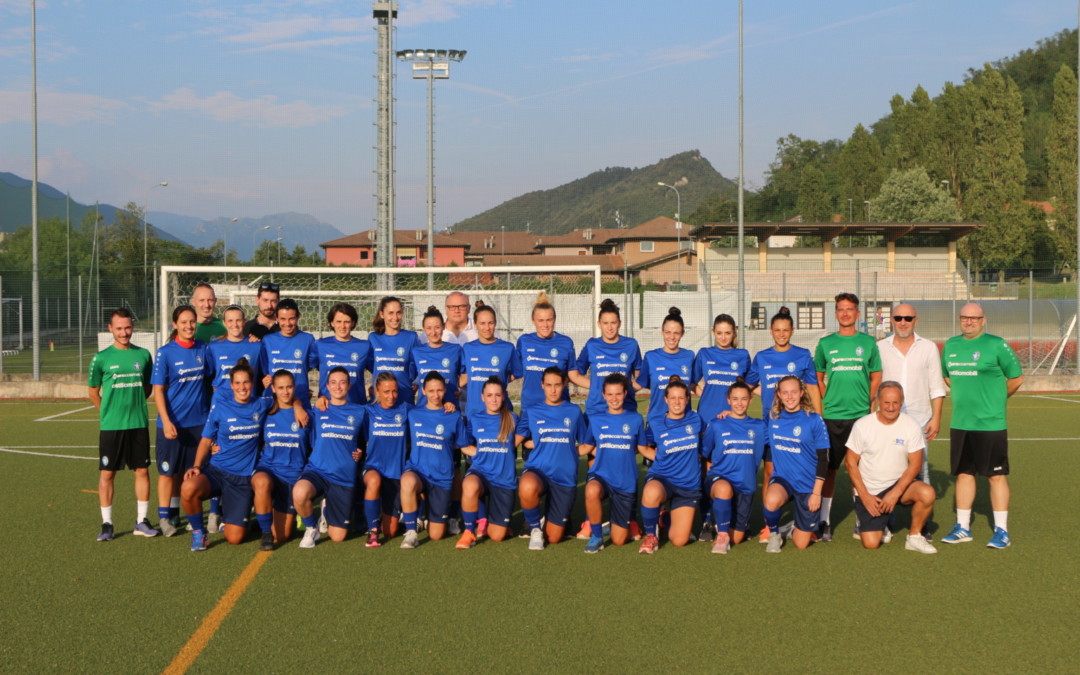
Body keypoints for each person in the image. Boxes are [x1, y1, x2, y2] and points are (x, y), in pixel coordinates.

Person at [940, 302, 1024, 549]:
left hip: (990, 423)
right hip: (961, 423)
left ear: (983, 320)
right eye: (965, 317)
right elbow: (948, 376)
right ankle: (963, 527)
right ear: (959, 319)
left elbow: (1017, 378)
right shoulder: (951, 346)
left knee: (995, 475)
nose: (969, 321)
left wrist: (996, 401)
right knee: (964, 473)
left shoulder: (996, 344)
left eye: (974, 318)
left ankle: (1001, 531)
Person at [745, 306, 821, 543]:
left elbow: (811, 388)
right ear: (770, 331)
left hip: (800, 425)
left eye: (785, 330)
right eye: (777, 330)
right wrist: (765, 395)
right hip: (772, 426)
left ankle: (809, 521)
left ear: (792, 331)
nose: (781, 334)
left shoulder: (803, 355)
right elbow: (747, 386)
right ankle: (771, 525)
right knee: (770, 472)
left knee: (805, 470)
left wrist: (818, 417)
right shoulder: (762, 357)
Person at [181, 358, 270, 550]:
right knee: (188, 487)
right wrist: (196, 466)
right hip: (217, 471)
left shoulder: (262, 405)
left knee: (235, 538)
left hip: (241, 478)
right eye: (237, 383)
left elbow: (284, 399)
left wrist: (297, 405)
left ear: (252, 383)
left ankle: (243, 518)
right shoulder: (221, 408)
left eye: (246, 382)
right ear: (231, 385)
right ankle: (199, 533)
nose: (242, 387)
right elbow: (206, 440)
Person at [813, 292, 882, 541]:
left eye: (850, 309)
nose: (845, 313)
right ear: (835, 313)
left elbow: (876, 375)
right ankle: (824, 520)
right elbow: (818, 375)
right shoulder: (826, 343)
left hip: (860, 417)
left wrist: (869, 400)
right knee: (829, 470)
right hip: (832, 417)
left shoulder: (869, 343)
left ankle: (861, 519)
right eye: (841, 309)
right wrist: (826, 398)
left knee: (860, 471)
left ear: (857, 313)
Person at [877, 302, 946, 538]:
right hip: (887, 420)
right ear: (892, 321)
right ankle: (885, 519)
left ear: (916, 320)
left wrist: (936, 418)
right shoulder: (880, 347)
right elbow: (874, 385)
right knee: (886, 471)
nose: (903, 322)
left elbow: (937, 387)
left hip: (919, 420)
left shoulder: (928, 348)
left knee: (921, 472)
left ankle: (921, 526)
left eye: (908, 318)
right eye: (898, 318)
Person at [88, 308, 157, 541]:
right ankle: (107, 524)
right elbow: (93, 392)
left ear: (132, 327)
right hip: (112, 427)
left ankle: (141, 521)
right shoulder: (101, 358)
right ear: (110, 329)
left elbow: (148, 387)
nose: (124, 332)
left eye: (127, 327)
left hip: (138, 423)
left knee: (142, 470)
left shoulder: (144, 355)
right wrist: (107, 413)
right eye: (119, 328)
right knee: (107, 474)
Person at [845, 382, 938, 554]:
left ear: (901, 402)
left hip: (898, 485)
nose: (890, 407)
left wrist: (895, 493)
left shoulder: (911, 425)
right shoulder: (863, 425)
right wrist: (864, 496)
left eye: (895, 402)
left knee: (927, 493)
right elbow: (850, 462)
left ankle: (915, 537)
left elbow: (916, 464)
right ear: (879, 401)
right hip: (870, 490)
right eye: (886, 402)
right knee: (871, 543)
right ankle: (870, 520)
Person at [152, 305, 213, 537]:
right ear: (175, 325)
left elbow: (213, 379)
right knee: (168, 472)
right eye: (184, 322)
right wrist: (166, 421)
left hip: (198, 423)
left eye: (192, 322)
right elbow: (158, 391)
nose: (189, 326)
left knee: (192, 472)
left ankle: (190, 514)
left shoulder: (203, 349)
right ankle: (165, 517)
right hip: (172, 424)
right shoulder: (165, 353)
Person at [692, 312, 751, 541]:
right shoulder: (704, 354)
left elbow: (747, 387)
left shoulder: (743, 355)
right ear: (713, 333)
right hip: (708, 420)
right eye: (719, 333)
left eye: (728, 332)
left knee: (734, 466)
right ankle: (707, 520)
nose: (724, 337)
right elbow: (692, 381)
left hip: (734, 422)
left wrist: (735, 409)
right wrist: (705, 395)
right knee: (708, 468)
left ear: (734, 332)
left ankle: (732, 518)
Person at [292, 367, 366, 548]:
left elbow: (366, 439)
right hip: (318, 470)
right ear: (327, 386)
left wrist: (361, 451)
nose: (338, 387)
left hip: (343, 476)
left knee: (337, 536)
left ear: (349, 385)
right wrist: (297, 405)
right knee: (299, 492)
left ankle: (326, 510)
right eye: (333, 382)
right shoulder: (318, 409)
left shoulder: (361, 412)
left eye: (342, 382)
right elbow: (290, 402)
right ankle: (311, 528)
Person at [516, 367, 587, 550]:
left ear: (564, 384)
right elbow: (520, 439)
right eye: (548, 385)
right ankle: (534, 529)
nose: (553, 390)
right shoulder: (532, 411)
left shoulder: (574, 411)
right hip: (539, 470)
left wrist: (569, 452)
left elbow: (586, 444)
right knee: (526, 485)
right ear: (542, 386)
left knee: (554, 538)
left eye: (557, 385)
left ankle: (548, 516)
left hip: (564, 477)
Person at [577, 374, 649, 553]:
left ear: (625, 393)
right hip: (602, 475)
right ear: (603, 395)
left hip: (625, 482)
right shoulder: (596, 420)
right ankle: (596, 536)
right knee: (591, 489)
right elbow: (586, 447)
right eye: (609, 394)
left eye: (618, 394)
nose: (614, 399)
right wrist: (559, 449)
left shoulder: (636, 419)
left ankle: (610, 526)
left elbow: (643, 448)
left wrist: (666, 456)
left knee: (619, 540)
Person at [399, 372, 469, 549]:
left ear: (445, 390)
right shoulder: (413, 413)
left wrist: (491, 453)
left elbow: (462, 446)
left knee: (436, 535)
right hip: (418, 473)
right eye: (431, 391)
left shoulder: (453, 416)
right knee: (407, 480)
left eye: (439, 390)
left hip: (442, 478)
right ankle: (411, 531)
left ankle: (432, 510)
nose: (435, 395)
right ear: (423, 390)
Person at [762, 375, 829, 553]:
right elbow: (749, 427)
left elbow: (824, 459)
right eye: (785, 392)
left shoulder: (814, 420)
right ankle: (774, 533)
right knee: (771, 499)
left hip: (808, 486)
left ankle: (794, 527)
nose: (790, 396)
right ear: (779, 394)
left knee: (801, 544)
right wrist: (730, 414)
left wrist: (816, 493)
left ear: (802, 393)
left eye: (793, 392)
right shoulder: (773, 418)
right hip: (783, 479)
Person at [700, 379, 767, 554]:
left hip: (745, 485)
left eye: (744, 399)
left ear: (751, 400)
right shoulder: (717, 424)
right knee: (723, 488)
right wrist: (709, 479)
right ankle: (721, 535)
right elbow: (704, 454)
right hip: (720, 479)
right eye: (735, 399)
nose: (739, 403)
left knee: (737, 538)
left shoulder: (759, 426)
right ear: (728, 400)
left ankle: (726, 524)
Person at [637, 375, 702, 554]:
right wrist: (656, 456)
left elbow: (707, 441)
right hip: (663, 477)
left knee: (679, 540)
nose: (677, 401)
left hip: (688, 485)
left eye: (681, 397)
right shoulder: (656, 422)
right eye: (672, 397)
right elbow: (642, 446)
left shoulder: (697, 420)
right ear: (665, 399)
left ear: (688, 399)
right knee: (651, 491)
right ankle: (651, 535)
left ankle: (665, 518)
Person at [456, 376, 522, 548]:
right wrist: (480, 453)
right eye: (490, 395)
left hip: (504, 480)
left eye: (498, 395)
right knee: (469, 484)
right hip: (481, 473)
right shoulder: (475, 419)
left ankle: (499, 524)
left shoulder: (513, 419)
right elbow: (465, 445)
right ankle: (469, 532)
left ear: (504, 396)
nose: (494, 399)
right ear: (482, 397)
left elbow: (525, 441)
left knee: (497, 536)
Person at [252, 370, 311, 549]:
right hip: (268, 469)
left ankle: (270, 514)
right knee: (261, 482)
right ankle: (265, 533)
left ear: (294, 388)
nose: (285, 392)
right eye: (281, 387)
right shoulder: (265, 411)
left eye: (289, 387)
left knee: (283, 535)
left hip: (292, 476)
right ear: (273, 389)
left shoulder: (305, 415)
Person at [360, 372, 412, 547]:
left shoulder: (406, 409)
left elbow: (428, 414)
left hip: (396, 473)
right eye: (386, 391)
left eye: (395, 391)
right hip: (373, 468)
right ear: (377, 391)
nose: (391, 396)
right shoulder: (368, 411)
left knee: (390, 532)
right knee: (374, 480)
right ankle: (372, 531)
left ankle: (386, 512)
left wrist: (448, 404)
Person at [569, 298, 643, 416]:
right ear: (599, 324)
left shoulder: (631, 345)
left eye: (613, 323)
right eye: (605, 323)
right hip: (596, 410)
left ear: (619, 323)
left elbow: (640, 378)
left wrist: (624, 389)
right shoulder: (592, 345)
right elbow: (576, 375)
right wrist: (596, 386)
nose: (609, 328)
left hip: (625, 409)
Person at [514, 291, 577, 410]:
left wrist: (599, 386)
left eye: (549, 320)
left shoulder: (565, 343)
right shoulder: (524, 341)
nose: (546, 325)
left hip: (559, 408)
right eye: (541, 320)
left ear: (555, 319)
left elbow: (573, 376)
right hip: (530, 409)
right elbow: (515, 372)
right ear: (533, 320)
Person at [461, 302, 520, 418]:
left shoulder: (507, 348)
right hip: (474, 412)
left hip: (501, 411)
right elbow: (464, 376)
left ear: (495, 323)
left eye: (490, 323)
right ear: (475, 324)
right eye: (482, 323)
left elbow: (517, 373)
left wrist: (502, 379)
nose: (487, 328)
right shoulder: (468, 348)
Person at [636, 307, 695, 420]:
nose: (672, 337)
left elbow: (693, 385)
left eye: (676, 333)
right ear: (662, 331)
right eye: (668, 332)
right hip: (657, 421)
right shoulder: (651, 357)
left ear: (682, 333)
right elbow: (640, 384)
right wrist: (612, 389)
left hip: (683, 421)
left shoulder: (689, 356)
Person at [259, 298, 318, 407]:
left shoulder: (308, 339)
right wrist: (265, 380)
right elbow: (265, 370)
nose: (287, 323)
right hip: (275, 402)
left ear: (298, 317)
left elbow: (311, 365)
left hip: (300, 400)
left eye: (291, 319)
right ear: (277, 318)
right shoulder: (268, 341)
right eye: (283, 319)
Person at [314, 303, 371, 407]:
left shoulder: (364, 346)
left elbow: (378, 370)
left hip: (356, 407)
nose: (343, 326)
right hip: (328, 407)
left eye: (347, 322)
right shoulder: (320, 345)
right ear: (332, 323)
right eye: (339, 322)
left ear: (353, 323)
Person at [208, 305, 263, 405]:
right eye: (230, 321)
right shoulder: (214, 347)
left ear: (244, 322)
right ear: (224, 323)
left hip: (247, 403)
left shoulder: (256, 346)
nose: (235, 324)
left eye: (238, 320)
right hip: (222, 403)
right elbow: (208, 375)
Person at [369, 296, 420, 403]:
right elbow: (370, 365)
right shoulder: (373, 338)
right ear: (382, 314)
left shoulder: (411, 337)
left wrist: (415, 382)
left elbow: (420, 364)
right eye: (390, 313)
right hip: (380, 397)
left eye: (398, 312)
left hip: (404, 393)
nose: (395, 317)